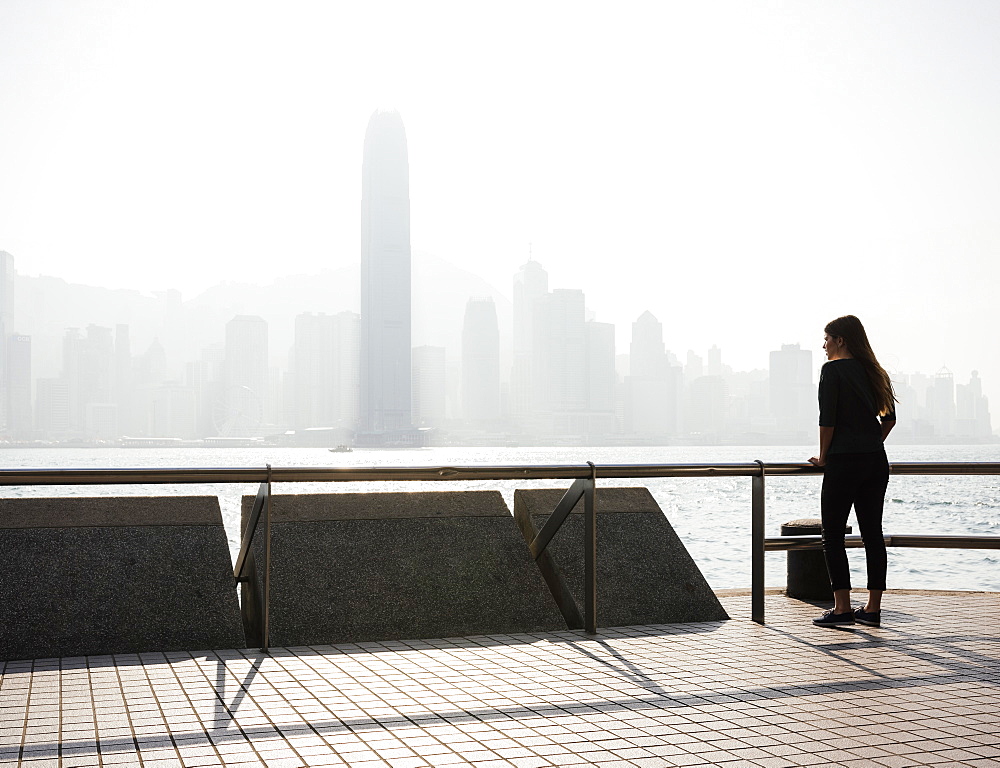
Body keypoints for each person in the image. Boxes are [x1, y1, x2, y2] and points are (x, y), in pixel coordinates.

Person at [808, 315, 897, 628]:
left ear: (840, 340)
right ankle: (872, 608)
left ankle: (842, 608)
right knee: (872, 534)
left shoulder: (832, 371)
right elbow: (889, 420)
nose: (824, 345)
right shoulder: (876, 372)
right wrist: (871, 443)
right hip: (875, 461)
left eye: (827, 338)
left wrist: (822, 457)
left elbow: (827, 420)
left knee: (832, 534)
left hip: (844, 461)